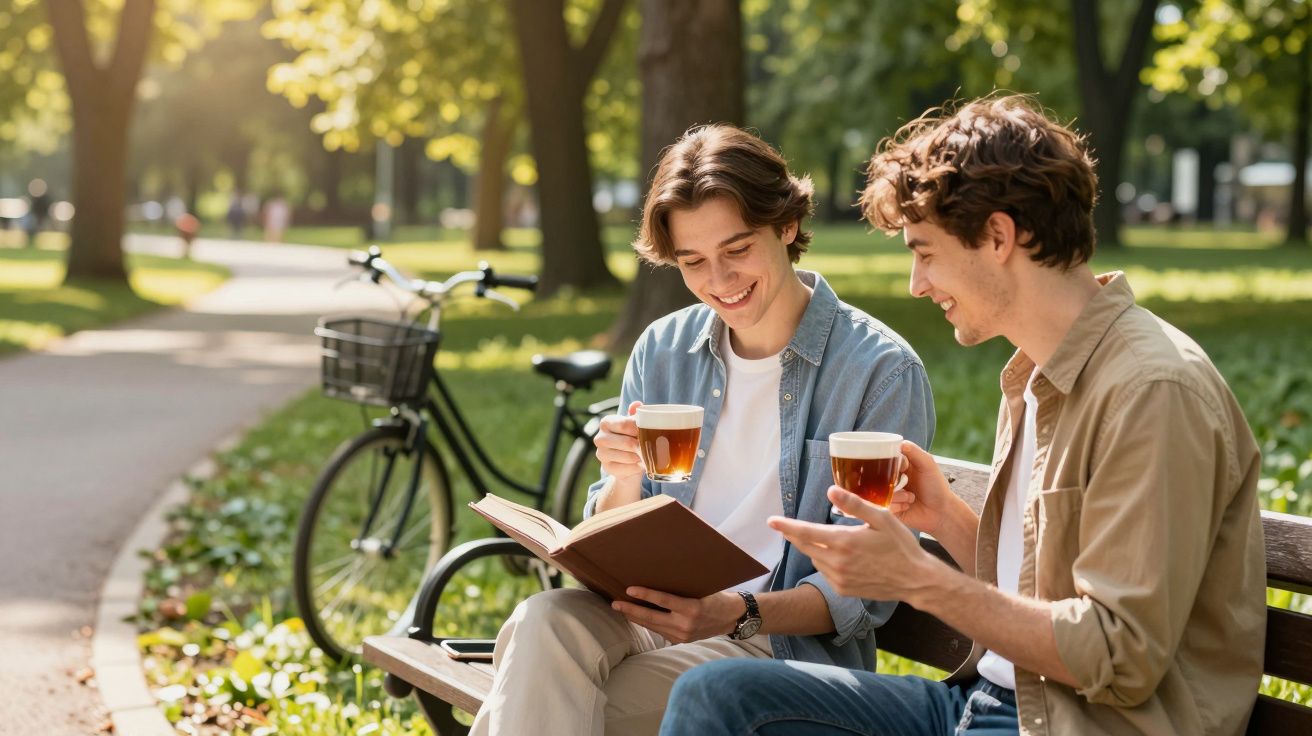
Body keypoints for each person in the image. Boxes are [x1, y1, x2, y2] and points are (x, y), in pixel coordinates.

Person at [660, 96, 1266, 735]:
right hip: (987, 706)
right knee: (718, 696)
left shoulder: (1151, 390)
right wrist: (948, 521)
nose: (917, 284)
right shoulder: (1035, 374)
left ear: (999, 237)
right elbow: (1041, 595)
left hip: (1072, 725)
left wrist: (920, 580)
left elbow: (1120, 656)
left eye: (925, 252)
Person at [469, 125, 936, 736]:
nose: (719, 281)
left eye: (737, 250)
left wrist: (733, 613)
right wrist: (621, 477)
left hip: (775, 646)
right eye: (693, 262)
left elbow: (865, 589)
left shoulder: (876, 369)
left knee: (551, 699)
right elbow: (608, 533)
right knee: (541, 623)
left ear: (786, 226)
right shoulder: (665, 349)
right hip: (650, 614)